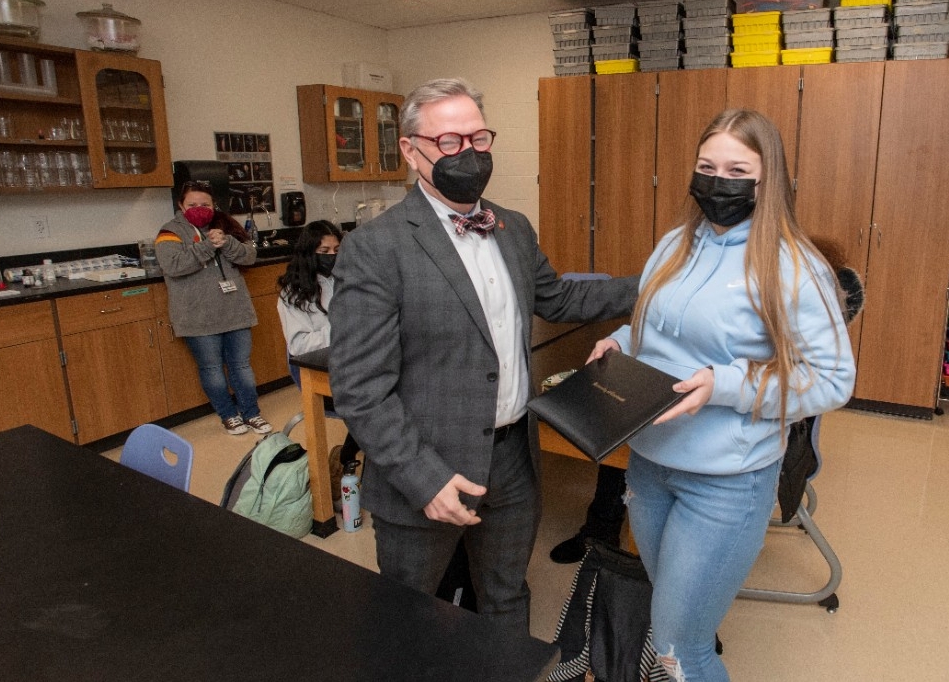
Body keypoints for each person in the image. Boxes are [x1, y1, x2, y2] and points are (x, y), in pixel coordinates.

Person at [328, 77, 639, 635]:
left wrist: (655, 283)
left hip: (513, 457)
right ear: (411, 150)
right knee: (409, 615)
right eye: (449, 142)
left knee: (505, 597)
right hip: (426, 467)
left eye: (478, 138)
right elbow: (359, 388)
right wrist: (423, 478)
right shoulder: (376, 248)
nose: (468, 155)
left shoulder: (512, 227)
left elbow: (560, 297)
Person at [587, 109, 855, 681]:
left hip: (726, 483)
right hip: (650, 464)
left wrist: (725, 385)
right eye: (706, 167)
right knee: (671, 626)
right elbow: (652, 326)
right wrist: (615, 340)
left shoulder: (795, 265)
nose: (717, 181)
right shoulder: (674, 245)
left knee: (680, 650)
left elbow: (833, 380)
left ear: (768, 179)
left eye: (736, 169)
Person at [155, 179, 272, 436]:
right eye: (192, 204)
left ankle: (251, 413)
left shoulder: (224, 223)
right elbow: (174, 265)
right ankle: (229, 415)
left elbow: (249, 256)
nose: (199, 208)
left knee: (241, 366)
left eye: (205, 204)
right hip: (198, 316)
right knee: (212, 369)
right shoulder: (169, 232)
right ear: (181, 205)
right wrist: (207, 245)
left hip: (234, 311)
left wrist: (226, 242)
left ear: (213, 204)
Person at [276, 219, 360, 467]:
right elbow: (299, 346)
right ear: (308, 252)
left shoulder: (344, 279)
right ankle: (347, 458)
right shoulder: (293, 293)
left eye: (336, 251)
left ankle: (353, 453)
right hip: (317, 370)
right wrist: (342, 329)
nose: (331, 257)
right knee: (374, 400)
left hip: (352, 360)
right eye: (324, 252)